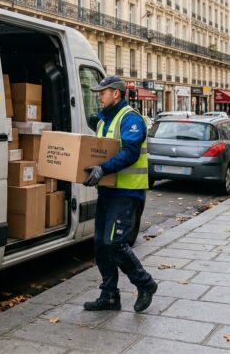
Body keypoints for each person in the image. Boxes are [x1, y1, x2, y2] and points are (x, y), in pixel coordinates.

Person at [82, 75, 157, 313]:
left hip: (127, 192)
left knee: (114, 243)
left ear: (116, 93)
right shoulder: (105, 121)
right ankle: (110, 295)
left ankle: (145, 284)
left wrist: (103, 169)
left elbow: (130, 153)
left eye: (102, 93)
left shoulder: (130, 119)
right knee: (100, 245)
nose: (99, 97)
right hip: (107, 190)